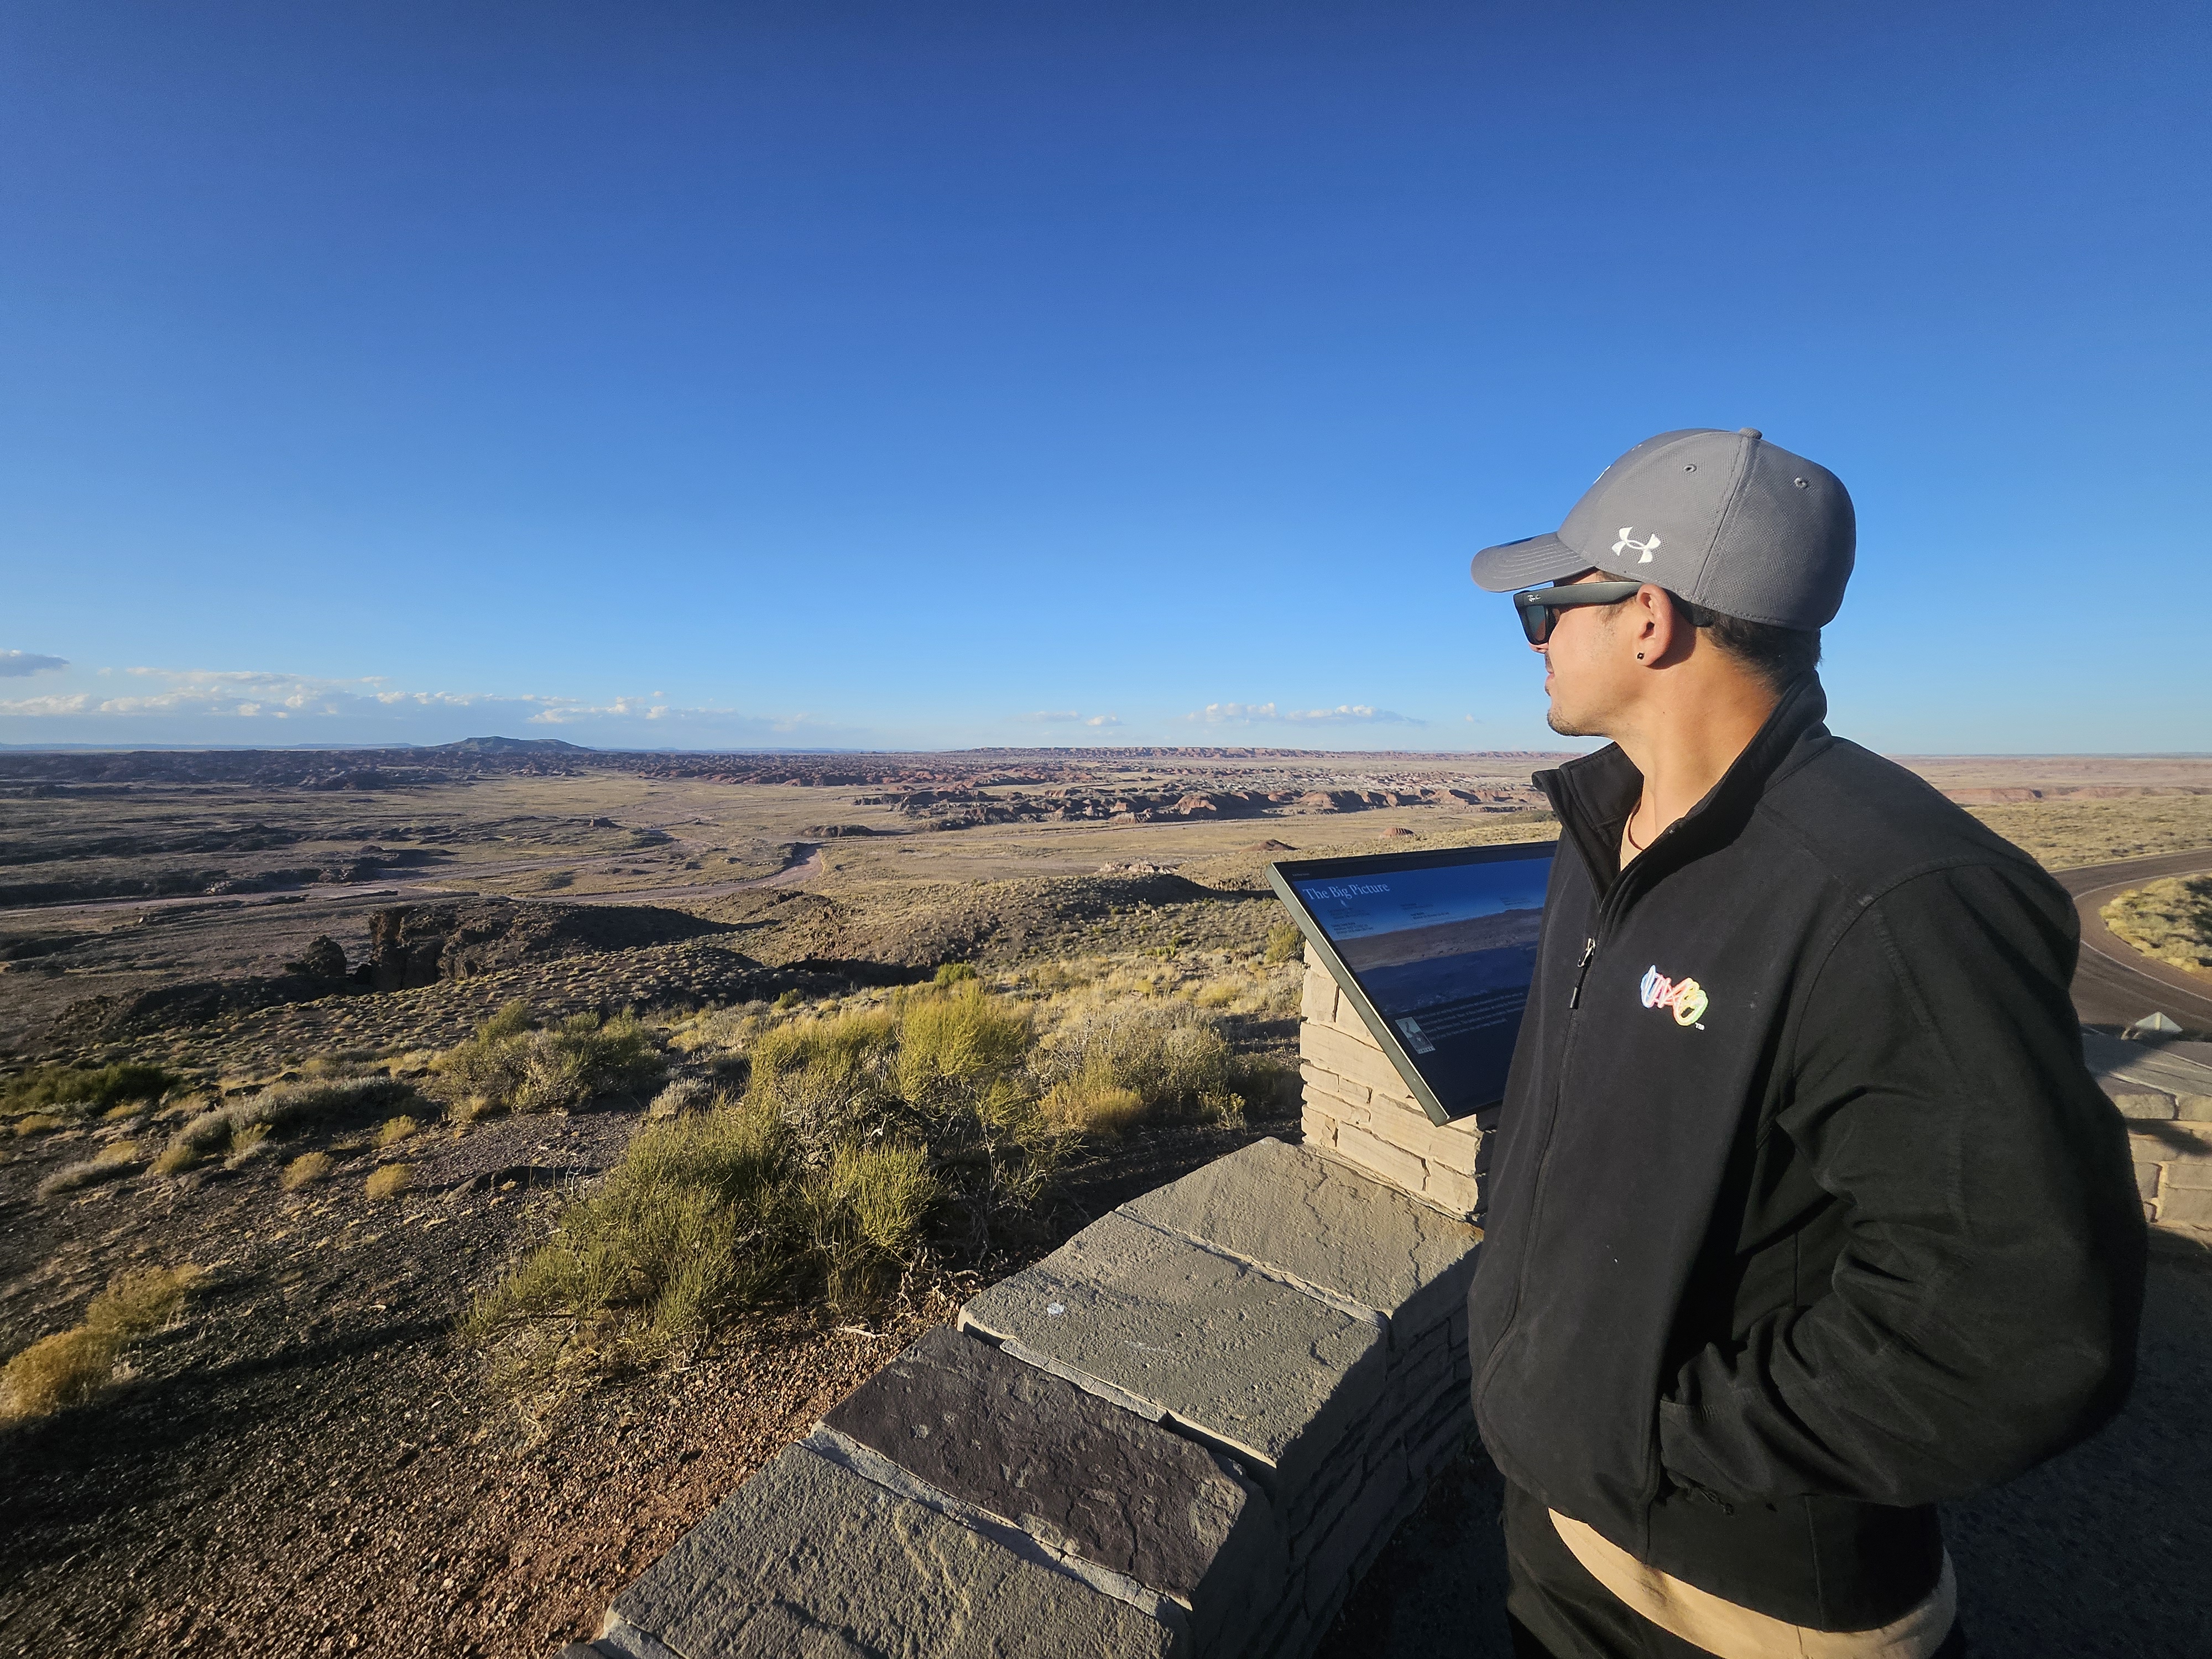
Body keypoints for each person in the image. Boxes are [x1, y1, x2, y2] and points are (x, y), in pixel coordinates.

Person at [1463, 427, 2147, 1659]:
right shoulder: (1603, 830)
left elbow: (2017, 1324)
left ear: (1649, 620)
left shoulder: (1894, 895)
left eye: (1543, 607)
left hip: (1742, 1602)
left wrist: (1659, 1434)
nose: (1534, 638)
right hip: (1564, 1527)